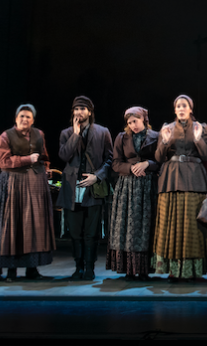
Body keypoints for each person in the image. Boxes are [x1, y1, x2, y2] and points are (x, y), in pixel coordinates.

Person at [0, 104, 56, 281]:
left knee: (34, 226)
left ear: (33, 120)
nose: (24, 119)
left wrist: (45, 169)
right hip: (14, 183)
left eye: (28, 117)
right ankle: (11, 271)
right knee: (14, 224)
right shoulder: (5, 137)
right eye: (21, 116)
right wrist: (27, 159)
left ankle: (32, 269)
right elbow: (3, 162)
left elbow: (44, 156)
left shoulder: (39, 134)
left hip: (35, 184)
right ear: (16, 118)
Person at [153, 95, 207, 282]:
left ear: (190, 109)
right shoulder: (167, 128)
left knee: (193, 227)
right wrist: (164, 141)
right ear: (174, 109)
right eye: (178, 106)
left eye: (184, 105)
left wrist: (198, 139)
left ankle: (194, 270)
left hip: (194, 180)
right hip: (171, 180)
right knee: (172, 225)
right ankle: (173, 270)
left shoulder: (200, 127)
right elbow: (158, 158)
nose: (181, 108)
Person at [56, 96, 113, 281]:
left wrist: (97, 176)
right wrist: (75, 134)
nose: (79, 112)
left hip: (92, 188)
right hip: (72, 187)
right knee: (75, 232)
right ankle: (78, 267)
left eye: (83, 108)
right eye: (76, 109)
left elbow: (109, 159)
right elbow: (64, 155)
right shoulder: (66, 133)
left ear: (89, 111)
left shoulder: (102, 132)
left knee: (91, 232)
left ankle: (89, 268)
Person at [108, 106, 160, 280]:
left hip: (148, 186)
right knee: (127, 227)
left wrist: (148, 164)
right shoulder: (121, 138)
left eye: (135, 121)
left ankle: (145, 269)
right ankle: (129, 269)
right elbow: (115, 163)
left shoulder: (156, 136)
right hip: (127, 186)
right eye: (129, 123)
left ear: (143, 119)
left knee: (146, 226)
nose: (133, 125)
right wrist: (130, 168)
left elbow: (162, 161)